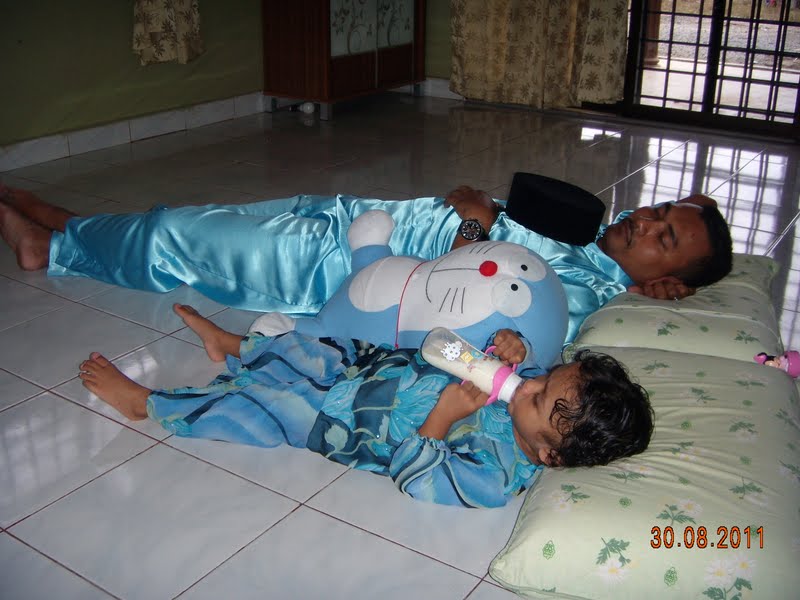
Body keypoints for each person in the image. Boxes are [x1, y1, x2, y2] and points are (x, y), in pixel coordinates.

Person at [77, 303, 655, 508]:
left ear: (549, 455)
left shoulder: (495, 476)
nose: (526, 385)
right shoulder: (528, 387)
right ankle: (232, 345)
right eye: (544, 377)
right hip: (374, 367)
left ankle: (149, 404)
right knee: (307, 346)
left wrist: (444, 417)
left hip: (343, 423)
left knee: (261, 405)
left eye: (539, 398)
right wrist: (512, 345)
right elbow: (510, 370)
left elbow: (417, 478)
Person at [0, 183, 733, 343]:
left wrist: (475, 222)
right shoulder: (585, 226)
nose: (646, 220)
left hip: (337, 272)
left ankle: (53, 244)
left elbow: (462, 299)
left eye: (664, 238)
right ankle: (68, 222)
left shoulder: (578, 293)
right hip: (355, 215)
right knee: (203, 217)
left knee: (181, 238)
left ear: (663, 279)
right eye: (661, 211)